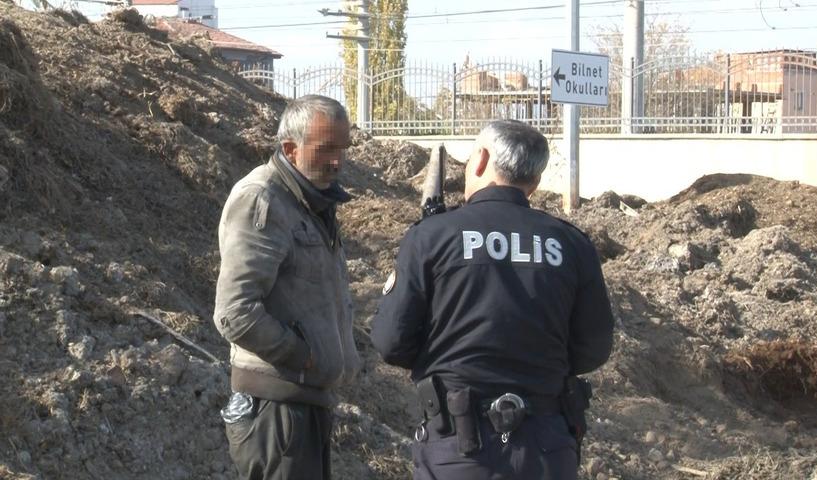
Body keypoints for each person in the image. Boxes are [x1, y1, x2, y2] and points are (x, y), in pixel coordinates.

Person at [371, 119, 615, 479]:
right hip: (547, 446)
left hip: (459, 446)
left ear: (481, 159)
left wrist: (443, 355)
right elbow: (593, 348)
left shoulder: (432, 236)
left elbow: (391, 342)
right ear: (535, 181)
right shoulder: (571, 243)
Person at [213, 95, 361, 480]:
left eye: (342, 149)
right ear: (290, 149)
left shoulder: (310, 201)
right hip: (276, 411)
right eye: (326, 149)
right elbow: (235, 312)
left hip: (305, 406)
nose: (337, 162)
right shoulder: (262, 199)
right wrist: (302, 354)